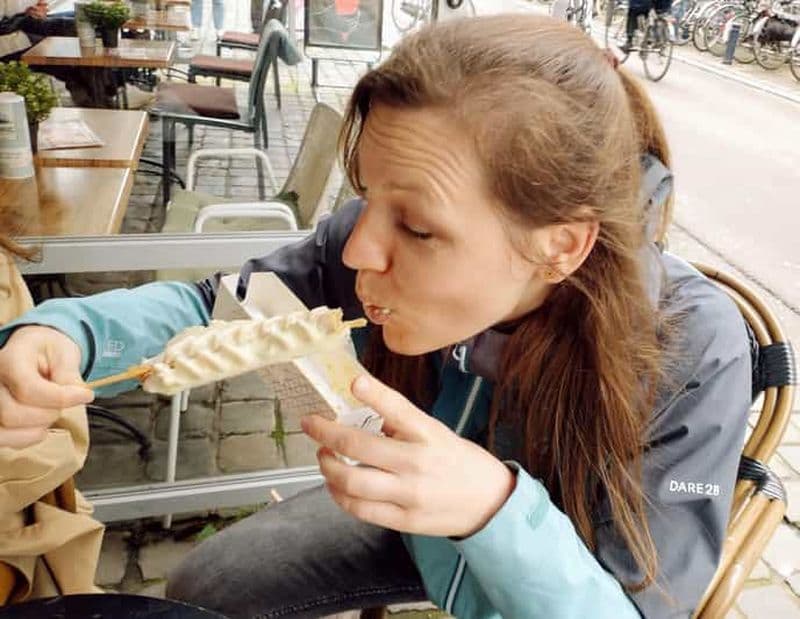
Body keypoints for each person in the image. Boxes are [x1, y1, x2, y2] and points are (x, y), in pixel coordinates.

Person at [0, 14, 752, 619]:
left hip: (554, 569)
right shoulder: (361, 245)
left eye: (418, 228)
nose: (359, 250)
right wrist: (66, 332)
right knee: (212, 578)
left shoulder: (693, 349)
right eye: (365, 198)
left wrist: (490, 509)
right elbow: (222, 307)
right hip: (408, 525)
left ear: (561, 245)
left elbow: (641, 604)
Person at [0, 0, 115, 107]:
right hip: (10, 42)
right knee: (73, 31)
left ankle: (97, 94)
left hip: (24, 25)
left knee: (85, 25)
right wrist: (24, 15)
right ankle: (100, 94)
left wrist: (35, 10)